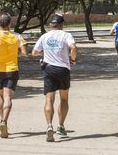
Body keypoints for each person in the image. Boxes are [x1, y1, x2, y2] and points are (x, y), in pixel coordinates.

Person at [32, 13, 77, 142]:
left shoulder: (44, 36)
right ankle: (61, 126)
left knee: (49, 99)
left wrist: (44, 53)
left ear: (51, 25)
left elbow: (34, 52)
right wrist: (73, 59)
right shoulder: (66, 35)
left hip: (49, 69)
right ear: (61, 25)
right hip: (63, 69)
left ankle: (49, 126)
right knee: (64, 98)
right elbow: (73, 47)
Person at [0, 13, 27, 139]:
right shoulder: (18, 37)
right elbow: (24, 53)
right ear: (10, 24)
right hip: (12, 70)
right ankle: (4, 122)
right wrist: (18, 51)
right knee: (8, 97)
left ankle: (1, 119)